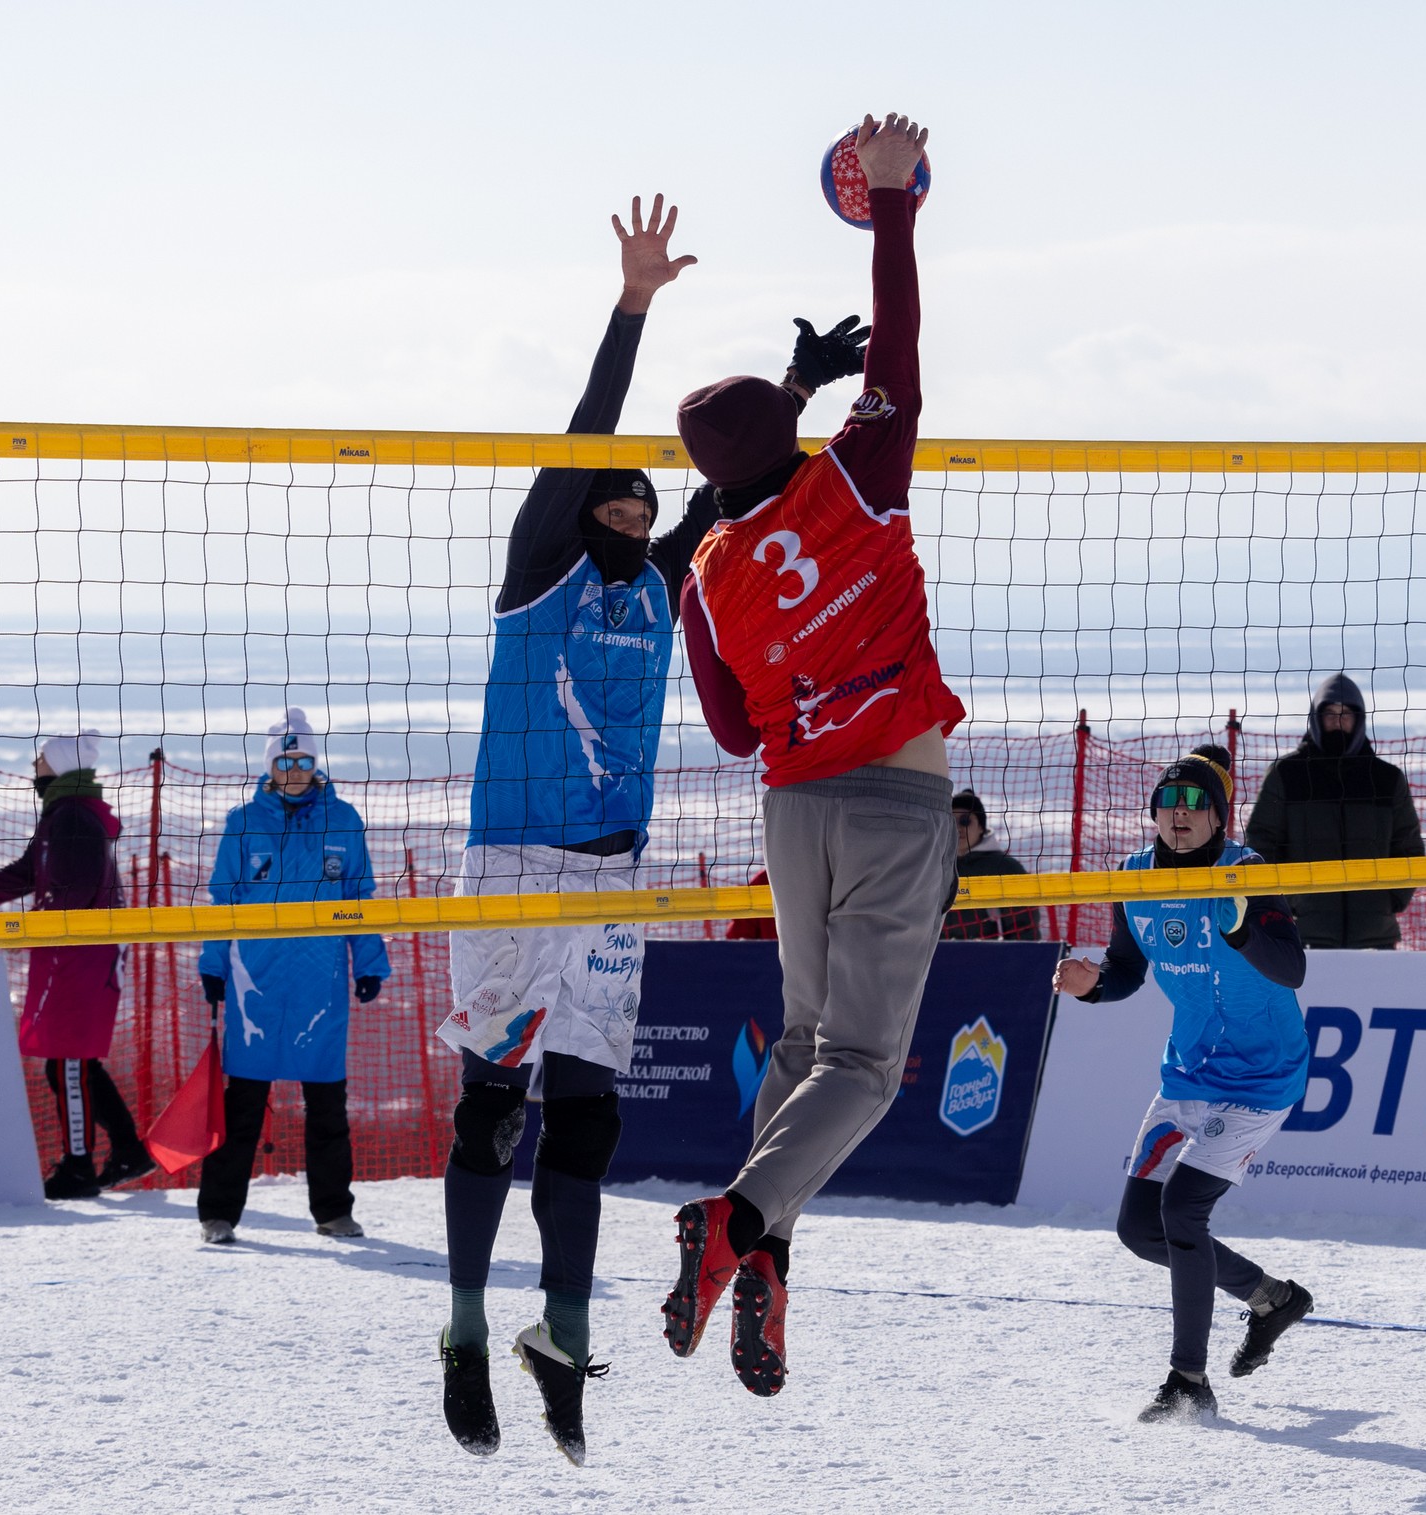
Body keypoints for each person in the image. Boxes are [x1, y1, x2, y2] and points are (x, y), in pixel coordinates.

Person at [430, 191, 875, 1463]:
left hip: (612, 877)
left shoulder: (663, 578)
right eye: (613, 506)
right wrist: (631, 306)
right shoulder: (543, 574)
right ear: (580, 517)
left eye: (642, 509)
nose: (632, 516)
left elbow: (735, 484)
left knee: (587, 1122)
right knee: (488, 1112)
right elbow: (585, 439)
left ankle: (560, 1340)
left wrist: (792, 386)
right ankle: (465, 1331)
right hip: (514, 868)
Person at [667, 111, 964, 1401]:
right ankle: (733, 1225)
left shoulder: (707, 574)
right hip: (896, 797)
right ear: (790, 435)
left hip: (795, 807)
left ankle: (766, 1259)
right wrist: (892, 205)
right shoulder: (852, 478)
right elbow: (896, 351)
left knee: (802, 1053)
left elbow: (733, 731)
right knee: (862, 1070)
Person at [1052, 744, 1317, 1424]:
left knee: (1182, 1211)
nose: (1181, 814)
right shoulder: (1134, 878)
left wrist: (1238, 928)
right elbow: (1125, 969)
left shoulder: (1247, 872)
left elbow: (1290, 968)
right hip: (1190, 1071)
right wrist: (1092, 988)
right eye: (1169, 803)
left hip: (1261, 1078)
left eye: (1197, 804)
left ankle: (1187, 1377)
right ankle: (1272, 1298)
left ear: (1219, 818)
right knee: (1139, 1229)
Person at [193, 710, 390, 1246]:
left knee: (327, 1105)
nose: (295, 769)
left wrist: (369, 963)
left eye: (303, 759)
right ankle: (219, 1214)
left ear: (314, 763)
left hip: (318, 987)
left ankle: (333, 1211)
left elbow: (359, 900)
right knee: (242, 1108)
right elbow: (222, 901)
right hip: (253, 987)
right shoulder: (243, 821)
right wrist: (213, 965)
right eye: (285, 760)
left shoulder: (343, 821)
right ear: (270, 766)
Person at [0, 732, 151, 1200]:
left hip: (81, 954)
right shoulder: (64, 813)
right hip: (77, 953)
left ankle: (78, 1167)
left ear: (60, 768)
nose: (34, 766)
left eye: (40, 759)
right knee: (70, 1063)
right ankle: (129, 1151)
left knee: (70, 1064)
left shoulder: (72, 816)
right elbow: (23, 876)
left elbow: (69, 894)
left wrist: (24, 929)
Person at [1244, 673, 1425, 950]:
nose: (1338, 722)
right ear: (1316, 718)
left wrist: (1391, 899)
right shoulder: (1287, 775)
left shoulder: (1387, 779)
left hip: (1375, 938)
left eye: (1346, 714)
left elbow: (1409, 847)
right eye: (1329, 714)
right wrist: (1288, 902)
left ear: (1359, 719)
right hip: (1302, 936)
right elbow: (1261, 843)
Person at [942, 788, 1039, 941]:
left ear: (981, 827)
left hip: (990, 958)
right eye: (951, 821)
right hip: (938, 958)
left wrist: (1014, 962)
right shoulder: (933, 866)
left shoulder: (1005, 868)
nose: (958, 828)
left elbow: (1024, 928)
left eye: (965, 820)